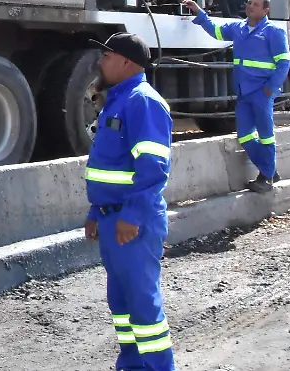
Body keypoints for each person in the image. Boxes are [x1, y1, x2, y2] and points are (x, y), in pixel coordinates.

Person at [84, 32, 176, 371]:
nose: (100, 61)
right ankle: (133, 366)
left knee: (142, 307)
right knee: (121, 305)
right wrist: (96, 212)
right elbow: (111, 165)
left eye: (106, 55)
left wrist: (133, 215)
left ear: (126, 62)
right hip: (113, 219)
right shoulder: (118, 100)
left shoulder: (142, 101)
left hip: (133, 223)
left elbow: (153, 168)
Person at [181, 0, 290, 193]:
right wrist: (198, 12)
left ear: (265, 10)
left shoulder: (273, 32)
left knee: (266, 136)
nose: (250, 6)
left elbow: (284, 62)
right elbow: (215, 31)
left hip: (261, 93)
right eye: (249, 3)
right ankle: (270, 169)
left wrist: (270, 89)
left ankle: (266, 177)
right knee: (245, 135)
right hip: (243, 92)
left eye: (256, 5)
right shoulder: (238, 28)